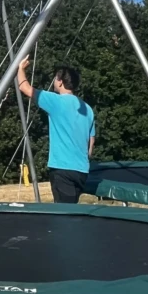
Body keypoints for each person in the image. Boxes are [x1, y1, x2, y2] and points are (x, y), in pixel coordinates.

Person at [17, 56, 95, 204]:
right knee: (70, 211)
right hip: (81, 171)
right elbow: (90, 145)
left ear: (60, 81)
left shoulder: (56, 101)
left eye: (55, 78)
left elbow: (24, 87)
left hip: (62, 169)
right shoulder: (88, 109)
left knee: (65, 216)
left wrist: (20, 69)